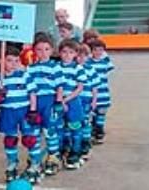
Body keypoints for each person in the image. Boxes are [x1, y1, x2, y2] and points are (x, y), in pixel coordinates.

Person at [0, 46, 42, 184]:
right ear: (1, 61)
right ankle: (12, 164)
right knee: (10, 140)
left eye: (16, 60)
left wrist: (33, 110)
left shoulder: (24, 75)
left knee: (30, 139)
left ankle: (35, 164)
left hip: (24, 111)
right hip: (8, 112)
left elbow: (32, 93)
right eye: (9, 60)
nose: (13, 64)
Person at [27, 32, 64, 176]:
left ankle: (53, 157)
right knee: (33, 132)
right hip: (34, 103)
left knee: (50, 132)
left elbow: (59, 86)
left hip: (49, 102)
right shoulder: (30, 68)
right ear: (34, 51)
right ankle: (35, 159)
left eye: (47, 49)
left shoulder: (56, 67)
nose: (43, 53)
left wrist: (59, 102)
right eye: (39, 49)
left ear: (52, 50)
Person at [58, 39, 87, 169]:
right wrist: (60, 100)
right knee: (61, 127)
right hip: (58, 100)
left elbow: (80, 88)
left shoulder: (78, 68)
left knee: (75, 127)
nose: (67, 55)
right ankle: (63, 149)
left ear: (75, 54)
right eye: (64, 52)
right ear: (59, 53)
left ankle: (76, 151)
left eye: (70, 52)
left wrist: (66, 99)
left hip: (72, 101)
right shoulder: (55, 67)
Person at [86, 40, 115, 144]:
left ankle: (99, 131)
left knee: (101, 114)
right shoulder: (88, 63)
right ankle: (92, 131)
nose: (98, 52)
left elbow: (110, 67)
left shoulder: (105, 62)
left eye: (101, 50)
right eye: (95, 50)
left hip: (103, 93)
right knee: (91, 114)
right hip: (92, 94)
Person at [76, 43, 101, 161]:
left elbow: (95, 87)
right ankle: (75, 144)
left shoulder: (91, 69)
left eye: (84, 56)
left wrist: (94, 100)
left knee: (86, 122)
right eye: (78, 56)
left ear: (88, 56)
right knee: (75, 124)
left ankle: (86, 143)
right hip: (75, 100)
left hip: (86, 100)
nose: (81, 59)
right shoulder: (73, 68)